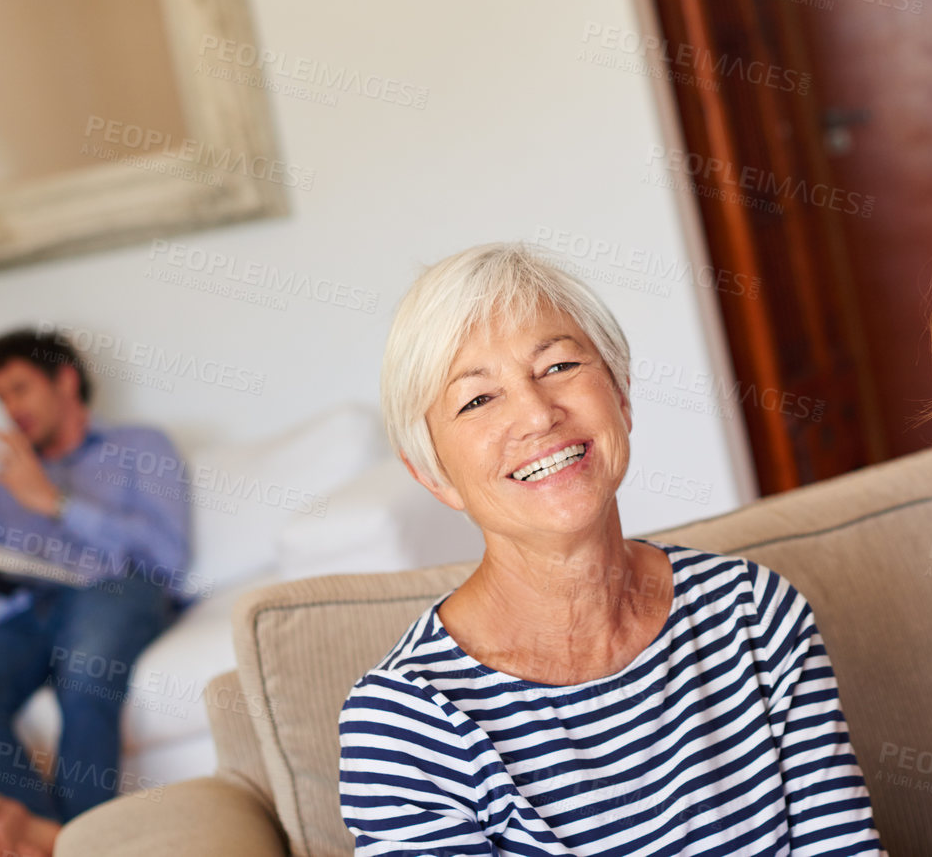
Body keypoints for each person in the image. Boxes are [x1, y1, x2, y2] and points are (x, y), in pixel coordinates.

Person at [338, 244, 882, 856]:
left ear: (621, 396)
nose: (539, 415)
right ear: (433, 475)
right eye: (478, 399)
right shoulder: (405, 725)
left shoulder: (753, 614)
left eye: (559, 366)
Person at [0, 329, 192, 857]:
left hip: (116, 591)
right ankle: (51, 842)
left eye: (20, 389)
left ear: (65, 380)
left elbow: (168, 555)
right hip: (28, 614)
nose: (11, 408)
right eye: (1, 397)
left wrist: (56, 502)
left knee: (86, 667)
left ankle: (72, 843)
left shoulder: (140, 447)